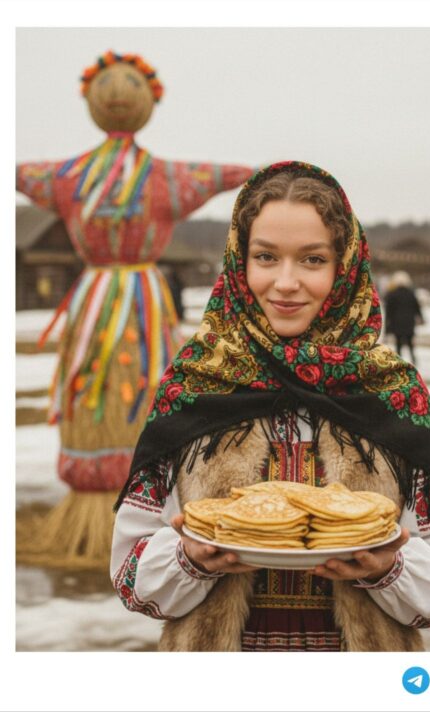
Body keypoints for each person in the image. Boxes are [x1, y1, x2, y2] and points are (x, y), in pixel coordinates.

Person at [110, 162, 430, 651]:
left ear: (344, 266)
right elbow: (130, 574)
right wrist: (189, 558)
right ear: (239, 262)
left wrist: (389, 566)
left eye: (312, 260)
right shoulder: (195, 384)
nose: (285, 282)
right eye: (265, 257)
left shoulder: (391, 392)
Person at [15, 51, 253, 570]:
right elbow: (215, 175)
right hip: (131, 298)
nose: (118, 94)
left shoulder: (69, 178)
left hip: (106, 300)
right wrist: (255, 173)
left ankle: (137, 500)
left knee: (113, 385)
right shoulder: (164, 178)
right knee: (128, 384)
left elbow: (26, 175)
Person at [384, 270, 423, 364]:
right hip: (409, 321)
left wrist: (387, 323)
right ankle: (414, 359)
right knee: (410, 342)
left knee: (398, 343)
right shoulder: (411, 293)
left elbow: (389, 311)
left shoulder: (392, 294)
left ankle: (399, 361)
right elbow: (417, 307)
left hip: (396, 322)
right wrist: (420, 317)